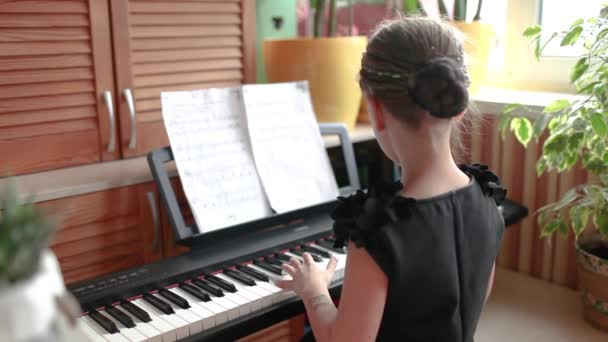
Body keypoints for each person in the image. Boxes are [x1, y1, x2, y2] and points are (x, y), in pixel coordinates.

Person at [275, 16, 506, 342]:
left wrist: (314, 291)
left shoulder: (380, 229)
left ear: (377, 110)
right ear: (458, 105)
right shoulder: (487, 200)